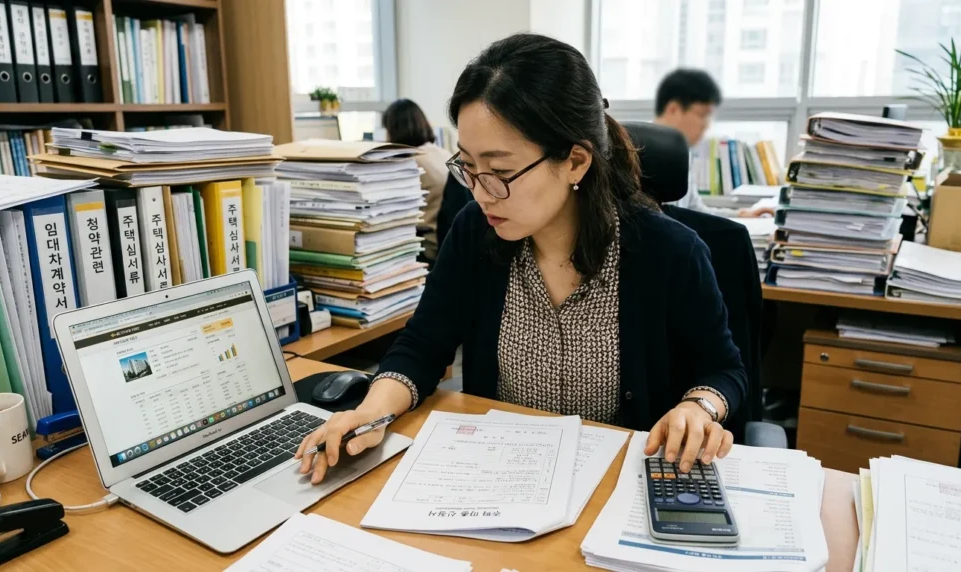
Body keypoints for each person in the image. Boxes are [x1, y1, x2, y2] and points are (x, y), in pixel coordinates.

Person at [296, 34, 747, 485]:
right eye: (469, 166)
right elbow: (422, 347)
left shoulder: (670, 252)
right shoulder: (476, 232)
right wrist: (370, 412)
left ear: (575, 162)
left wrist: (698, 407)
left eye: (502, 172)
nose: (479, 191)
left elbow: (723, 369)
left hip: (617, 483)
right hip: (501, 479)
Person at [654, 69, 774, 218]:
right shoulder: (638, 153)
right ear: (673, 109)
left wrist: (741, 215)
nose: (706, 125)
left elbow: (695, 210)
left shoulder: (682, 154)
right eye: (702, 115)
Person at [382, 98, 453, 262]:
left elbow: (388, 212)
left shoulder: (411, 164)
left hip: (427, 246)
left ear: (394, 131)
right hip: (445, 242)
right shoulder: (442, 153)